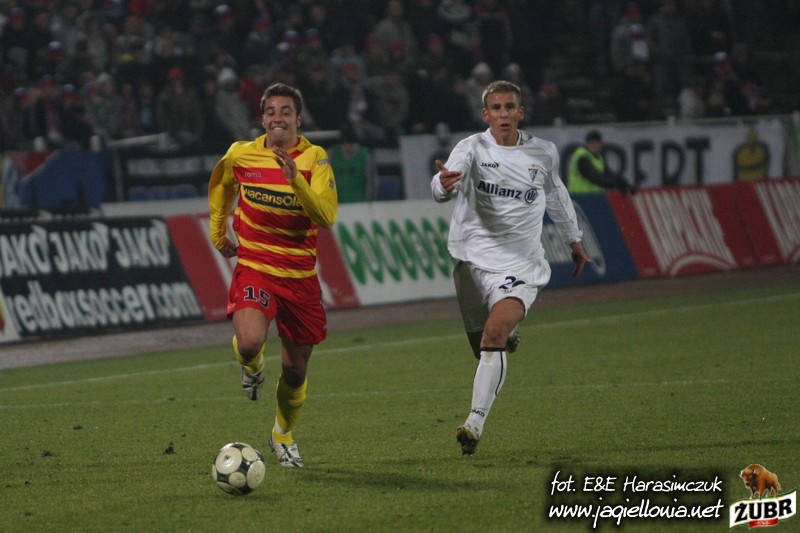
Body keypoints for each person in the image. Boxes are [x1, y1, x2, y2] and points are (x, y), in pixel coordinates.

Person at [431, 80, 591, 456]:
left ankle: (474, 423)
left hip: (521, 265)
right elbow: (443, 184)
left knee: (493, 334)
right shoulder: (471, 148)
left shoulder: (543, 152)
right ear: (485, 114)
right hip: (472, 264)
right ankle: (507, 336)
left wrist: (574, 239)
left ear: (520, 112)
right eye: (496, 108)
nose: (503, 114)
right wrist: (443, 185)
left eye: (509, 107)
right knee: (482, 349)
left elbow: (556, 195)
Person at [208, 83, 338, 468]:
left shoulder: (315, 158)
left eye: (285, 111)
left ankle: (282, 433)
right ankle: (252, 368)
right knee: (250, 343)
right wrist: (218, 231)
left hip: (299, 275)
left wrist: (295, 178)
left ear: (299, 118)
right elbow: (222, 186)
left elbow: (326, 217)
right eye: (270, 112)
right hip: (256, 266)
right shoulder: (241, 154)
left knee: (296, 370)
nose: (277, 118)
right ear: (262, 118)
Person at [568, 130, 636, 194]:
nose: (594, 145)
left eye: (596, 143)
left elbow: (608, 174)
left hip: (593, 197)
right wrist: (616, 185)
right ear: (587, 144)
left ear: (600, 145)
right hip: (579, 196)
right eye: (591, 143)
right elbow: (595, 177)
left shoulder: (599, 158)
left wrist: (624, 183)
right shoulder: (582, 157)